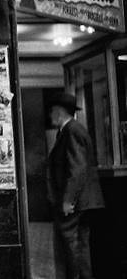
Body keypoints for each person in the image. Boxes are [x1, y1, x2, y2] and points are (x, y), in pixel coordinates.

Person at [47, 93, 104, 279]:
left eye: (52, 111)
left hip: (75, 203)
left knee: (72, 245)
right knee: (80, 244)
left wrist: (68, 201)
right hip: (82, 202)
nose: (50, 115)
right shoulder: (70, 130)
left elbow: (77, 169)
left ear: (59, 111)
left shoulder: (71, 131)